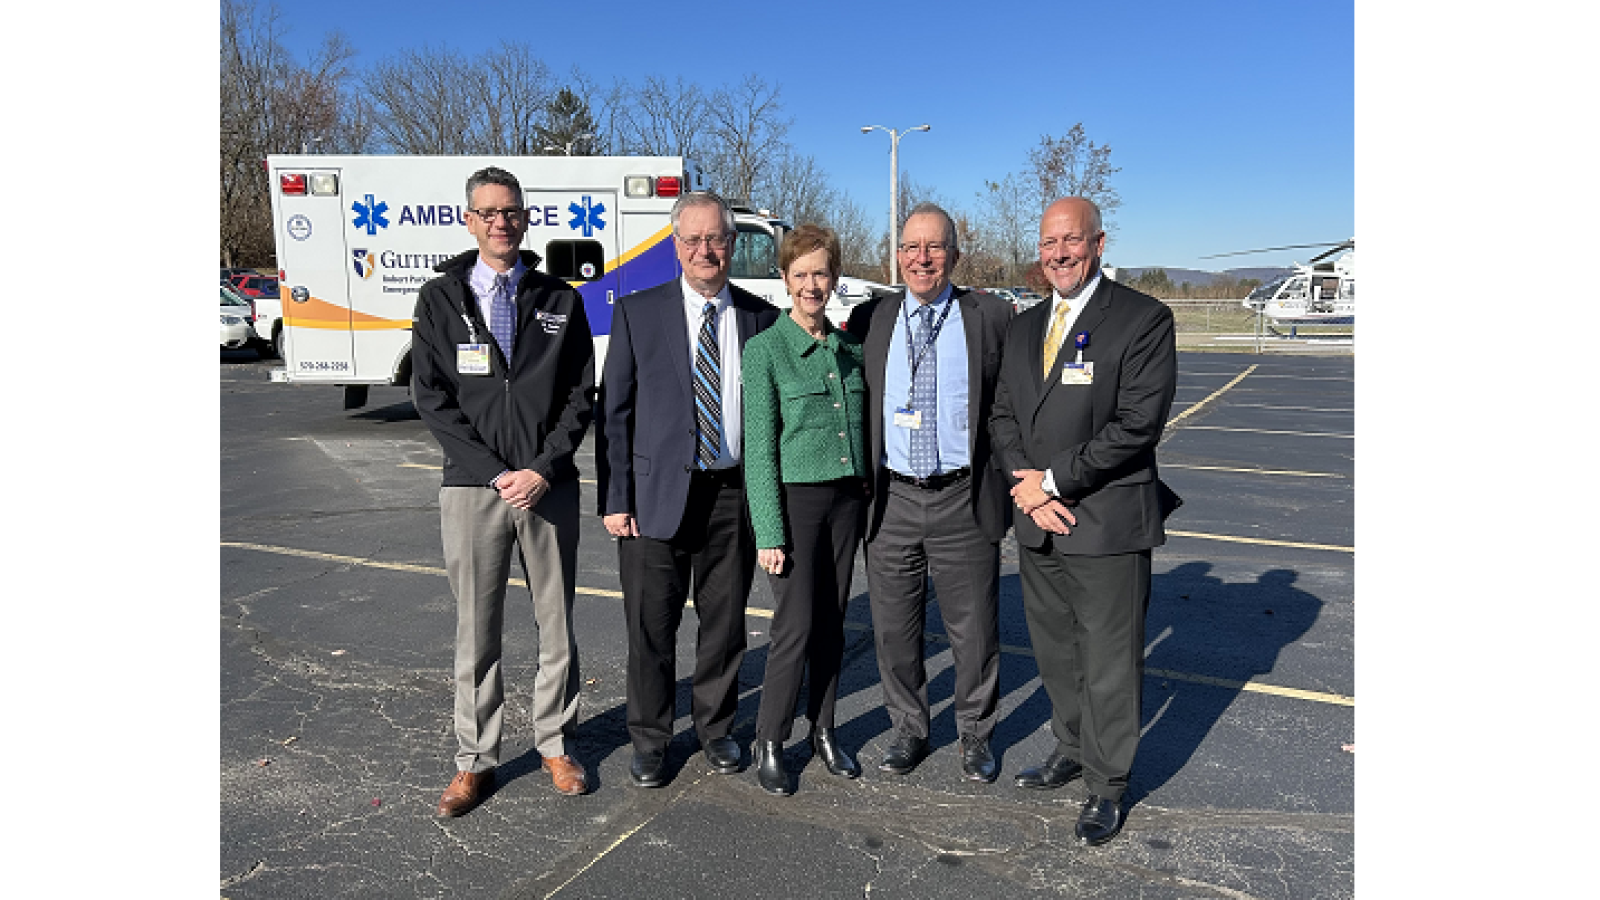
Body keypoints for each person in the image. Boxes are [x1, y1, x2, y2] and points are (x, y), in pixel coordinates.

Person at [988, 197, 1180, 846]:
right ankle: (1070, 747)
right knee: (1056, 650)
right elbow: (1002, 417)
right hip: (1038, 521)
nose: (1059, 253)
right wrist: (1027, 486)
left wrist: (1052, 480)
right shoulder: (1022, 327)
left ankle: (1107, 784)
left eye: (1071, 240)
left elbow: (1137, 426)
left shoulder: (1142, 320)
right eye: (1049, 242)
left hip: (1105, 523)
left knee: (1109, 661)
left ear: (1099, 243)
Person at [411, 166, 597, 817]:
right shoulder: (441, 299)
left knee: (557, 626)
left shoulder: (558, 299)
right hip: (473, 488)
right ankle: (474, 759)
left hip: (548, 486)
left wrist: (544, 466)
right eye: (488, 211)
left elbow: (580, 395)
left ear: (525, 218)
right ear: (469, 220)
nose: (501, 221)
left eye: (511, 211)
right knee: (475, 630)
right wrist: (494, 471)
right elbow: (430, 397)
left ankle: (555, 742)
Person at [596, 191, 780, 788]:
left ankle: (716, 727)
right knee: (651, 625)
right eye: (694, 240)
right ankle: (650, 737)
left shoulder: (759, 318)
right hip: (653, 498)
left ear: (731, 244)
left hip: (731, 495)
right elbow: (616, 412)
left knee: (724, 625)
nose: (706, 251)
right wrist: (615, 497)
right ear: (676, 246)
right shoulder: (637, 312)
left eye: (717, 239)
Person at [843, 203, 1013, 783]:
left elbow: (1009, 404)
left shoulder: (989, 316)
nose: (922, 258)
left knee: (974, 629)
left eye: (934, 247)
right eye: (911, 248)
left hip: (960, 497)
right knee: (894, 627)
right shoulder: (871, 320)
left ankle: (976, 733)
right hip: (891, 498)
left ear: (954, 256)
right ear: (897, 256)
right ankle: (909, 728)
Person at [740, 225, 870, 795]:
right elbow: (760, 450)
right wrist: (768, 531)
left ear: (834, 279)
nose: (811, 285)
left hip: (846, 501)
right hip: (797, 505)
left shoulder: (846, 348)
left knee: (833, 625)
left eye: (821, 273)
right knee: (794, 627)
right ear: (785, 280)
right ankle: (770, 738)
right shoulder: (766, 349)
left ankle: (824, 729)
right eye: (801, 275)